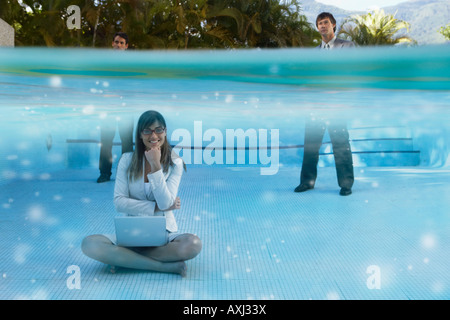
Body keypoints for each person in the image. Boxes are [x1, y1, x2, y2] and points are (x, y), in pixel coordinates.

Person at [82, 110, 202, 277]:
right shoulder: (126, 160)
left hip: (164, 233)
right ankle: (162, 267)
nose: (153, 135)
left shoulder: (176, 163)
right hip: (131, 233)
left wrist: (156, 167)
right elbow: (119, 202)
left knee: (193, 244)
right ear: (140, 134)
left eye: (158, 129)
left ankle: (123, 259)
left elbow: (165, 203)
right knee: (89, 244)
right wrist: (154, 208)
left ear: (165, 131)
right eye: (147, 130)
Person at [294, 12, 354, 196]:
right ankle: (307, 182)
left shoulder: (347, 47)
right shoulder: (314, 53)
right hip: (316, 106)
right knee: (311, 145)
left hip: (337, 107)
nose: (322, 26)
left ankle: (346, 184)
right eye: (319, 23)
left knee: (340, 144)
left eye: (326, 22)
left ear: (333, 25)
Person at [97, 32, 133, 183]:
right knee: (106, 142)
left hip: (125, 109)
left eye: (122, 43)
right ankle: (105, 173)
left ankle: (126, 174)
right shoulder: (104, 63)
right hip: (108, 110)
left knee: (127, 142)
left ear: (126, 46)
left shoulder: (131, 65)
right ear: (112, 43)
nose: (118, 45)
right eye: (116, 42)